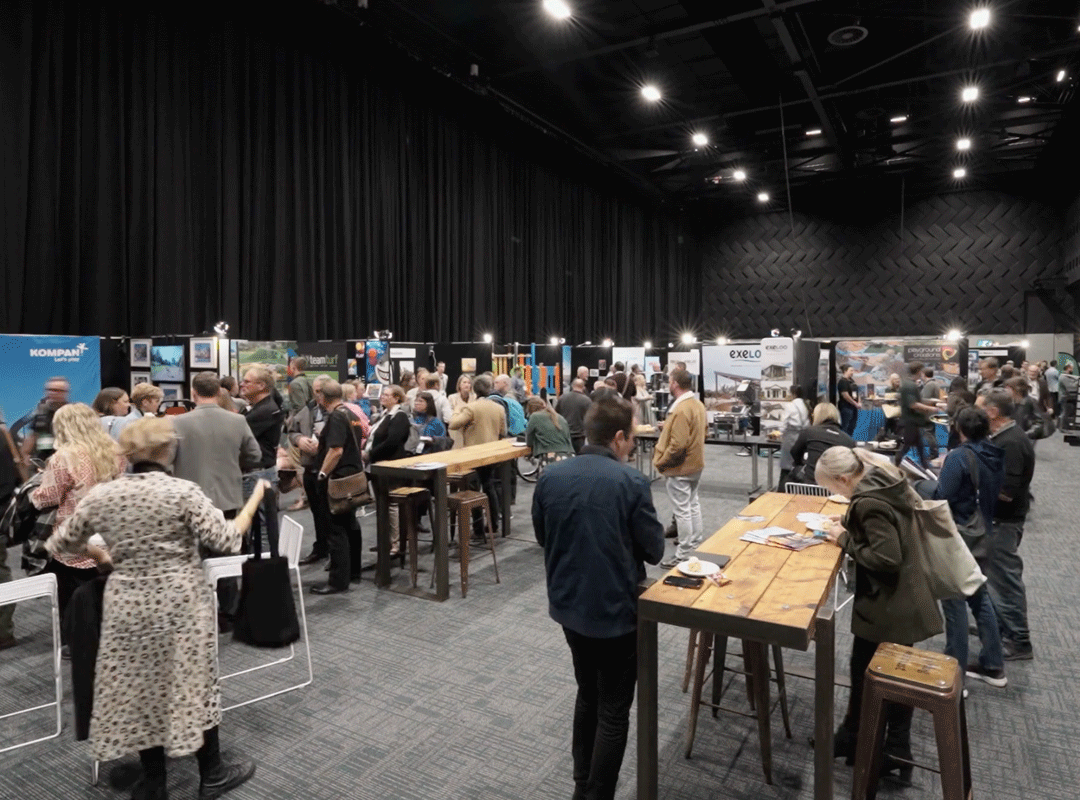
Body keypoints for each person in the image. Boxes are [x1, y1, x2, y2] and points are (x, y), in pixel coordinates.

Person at [51, 416, 266, 800]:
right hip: (182, 602)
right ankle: (211, 772)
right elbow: (228, 541)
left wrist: (104, 555)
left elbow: (62, 541)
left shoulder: (104, 496)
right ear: (169, 450)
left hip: (128, 603)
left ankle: (154, 781)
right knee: (194, 682)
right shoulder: (183, 493)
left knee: (140, 686)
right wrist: (254, 501)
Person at [532, 396, 664, 800]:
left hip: (569, 608)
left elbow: (543, 537)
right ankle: (595, 794)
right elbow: (655, 549)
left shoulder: (550, 478)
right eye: (634, 438)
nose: (635, 445)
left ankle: (581, 783)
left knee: (588, 693)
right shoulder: (631, 483)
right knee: (613, 710)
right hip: (615, 614)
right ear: (619, 438)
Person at [815, 446, 942, 784]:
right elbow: (888, 524)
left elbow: (886, 557)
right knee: (865, 670)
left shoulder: (868, 501)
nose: (835, 495)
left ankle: (896, 750)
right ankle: (854, 734)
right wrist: (845, 521)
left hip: (892, 603)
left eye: (833, 488)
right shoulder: (881, 481)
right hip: (905, 597)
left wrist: (844, 537)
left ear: (844, 479)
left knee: (885, 676)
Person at [919, 407, 1008, 688]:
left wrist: (921, 484)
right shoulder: (995, 453)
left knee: (954, 602)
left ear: (960, 429)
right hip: (984, 531)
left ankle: (953, 674)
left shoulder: (959, 456)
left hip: (959, 534)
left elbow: (942, 494)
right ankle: (993, 665)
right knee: (979, 596)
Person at [30, 404, 125, 641]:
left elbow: (47, 498)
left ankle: (76, 641)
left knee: (72, 592)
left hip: (75, 537)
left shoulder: (64, 457)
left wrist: (32, 492)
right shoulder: (115, 451)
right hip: (108, 531)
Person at [977, 388, 1036, 660]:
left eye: (979, 407)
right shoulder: (1001, 438)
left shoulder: (1010, 443)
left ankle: (1019, 640)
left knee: (1005, 581)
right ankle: (1002, 629)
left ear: (992, 412)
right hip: (996, 519)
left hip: (1004, 521)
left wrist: (972, 481)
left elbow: (1006, 491)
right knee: (994, 578)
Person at [171, 373, 262, 516]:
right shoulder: (238, 421)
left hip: (189, 501)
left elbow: (168, 459)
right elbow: (255, 455)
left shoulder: (177, 422)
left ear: (193, 393)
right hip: (227, 498)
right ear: (219, 392)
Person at [310, 380, 365, 594]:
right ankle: (353, 572)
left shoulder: (335, 417)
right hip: (353, 477)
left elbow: (336, 451)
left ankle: (338, 580)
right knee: (350, 524)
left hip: (337, 480)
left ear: (322, 398)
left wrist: (322, 474)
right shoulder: (352, 414)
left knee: (336, 529)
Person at [654, 369, 706, 569]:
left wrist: (661, 462)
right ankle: (694, 544)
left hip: (680, 468)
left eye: (669, 381)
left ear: (674, 383)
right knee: (692, 505)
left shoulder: (681, 408)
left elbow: (677, 445)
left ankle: (683, 554)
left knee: (682, 510)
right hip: (695, 465)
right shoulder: (697, 405)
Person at [449, 375, 507, 534]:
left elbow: (453, 424)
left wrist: (456, 410)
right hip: (492, 454)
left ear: (474, 389)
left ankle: (478, 528)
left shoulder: (471, 408)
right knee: (490, 487)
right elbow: (503, 432)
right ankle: (494, 524)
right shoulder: (499, 408)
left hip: (473, 455)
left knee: (473, 490)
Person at [289, 375, 331, 558]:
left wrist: (321, 444)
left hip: (330, 469)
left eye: (320, 390)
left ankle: (335, 551)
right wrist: (299, 440)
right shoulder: (308, 408)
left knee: (331, 512)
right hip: (310, 468)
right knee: (316, 511)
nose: (317, 394)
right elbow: (292, 431)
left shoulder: (339, 410)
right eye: (315, 390)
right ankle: (321, 546)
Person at [240, 366, 285, 496]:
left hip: (257, 475)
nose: (242, 384)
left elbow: (238, 436)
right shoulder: (260, 408)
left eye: (247, 382)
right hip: (258, 473)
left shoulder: (264, 411)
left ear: (261, 385)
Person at [789, 403, 856, 484]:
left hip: (809, 486)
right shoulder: (848, 440)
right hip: (835, 489)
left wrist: (802, 463)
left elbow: (794, 452)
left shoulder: (810, 432)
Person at [895, 361, 939, 469]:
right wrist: (931, 408)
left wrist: (929, 402)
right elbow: (913, 404)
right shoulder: (910, 385)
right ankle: (894, 467)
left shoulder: (908, 383)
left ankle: (925, 467)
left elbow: (915, 400)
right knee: (906, 447)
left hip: (913, 421)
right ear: (919, 371)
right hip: (911, 421)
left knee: (918, 447)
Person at [22, 377, 70, 462]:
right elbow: (33, 435)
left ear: (65, 392)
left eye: (56, 390)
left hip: (67, 459)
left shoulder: (73, 412)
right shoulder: (41, 411)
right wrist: (25, 454)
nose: (52, 393)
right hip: (43, 460)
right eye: (49, 389)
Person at [776, 385, 811, 490]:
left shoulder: (790, 405)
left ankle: (782, 488)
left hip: (791, 436)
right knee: (800, 463)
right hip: (804, 436)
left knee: (786, 465)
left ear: (793, 393)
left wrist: (779, 433)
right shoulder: (806, 404)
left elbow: (784, 423)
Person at [557, 378, 592, 454]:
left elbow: (556, 414)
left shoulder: (562, 398)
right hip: (579, 435)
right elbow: (590, 418)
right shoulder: (587, 400)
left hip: (564, 433)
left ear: (572, 386)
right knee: (578, 459)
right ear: (583, 387)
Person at [448, 374, 475, 448]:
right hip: (457, 430)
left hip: (471, 430)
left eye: (469, 383)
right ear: (459, 384)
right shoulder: (452, 398)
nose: (467, 385)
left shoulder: (475, 397)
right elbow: (451, 416)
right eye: (464, 382)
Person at [836, 364, 860, 437]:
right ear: (845, 371)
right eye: (851, 370)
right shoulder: (842, 381)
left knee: (852, 426)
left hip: (854, 407)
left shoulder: (852, 381)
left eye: (853, 370)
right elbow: (845, 395)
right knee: (845, 427)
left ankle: (849, 441)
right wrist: (855, 403)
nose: (852, 372)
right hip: (846, 407)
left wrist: (859, 402)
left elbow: (856, 393)